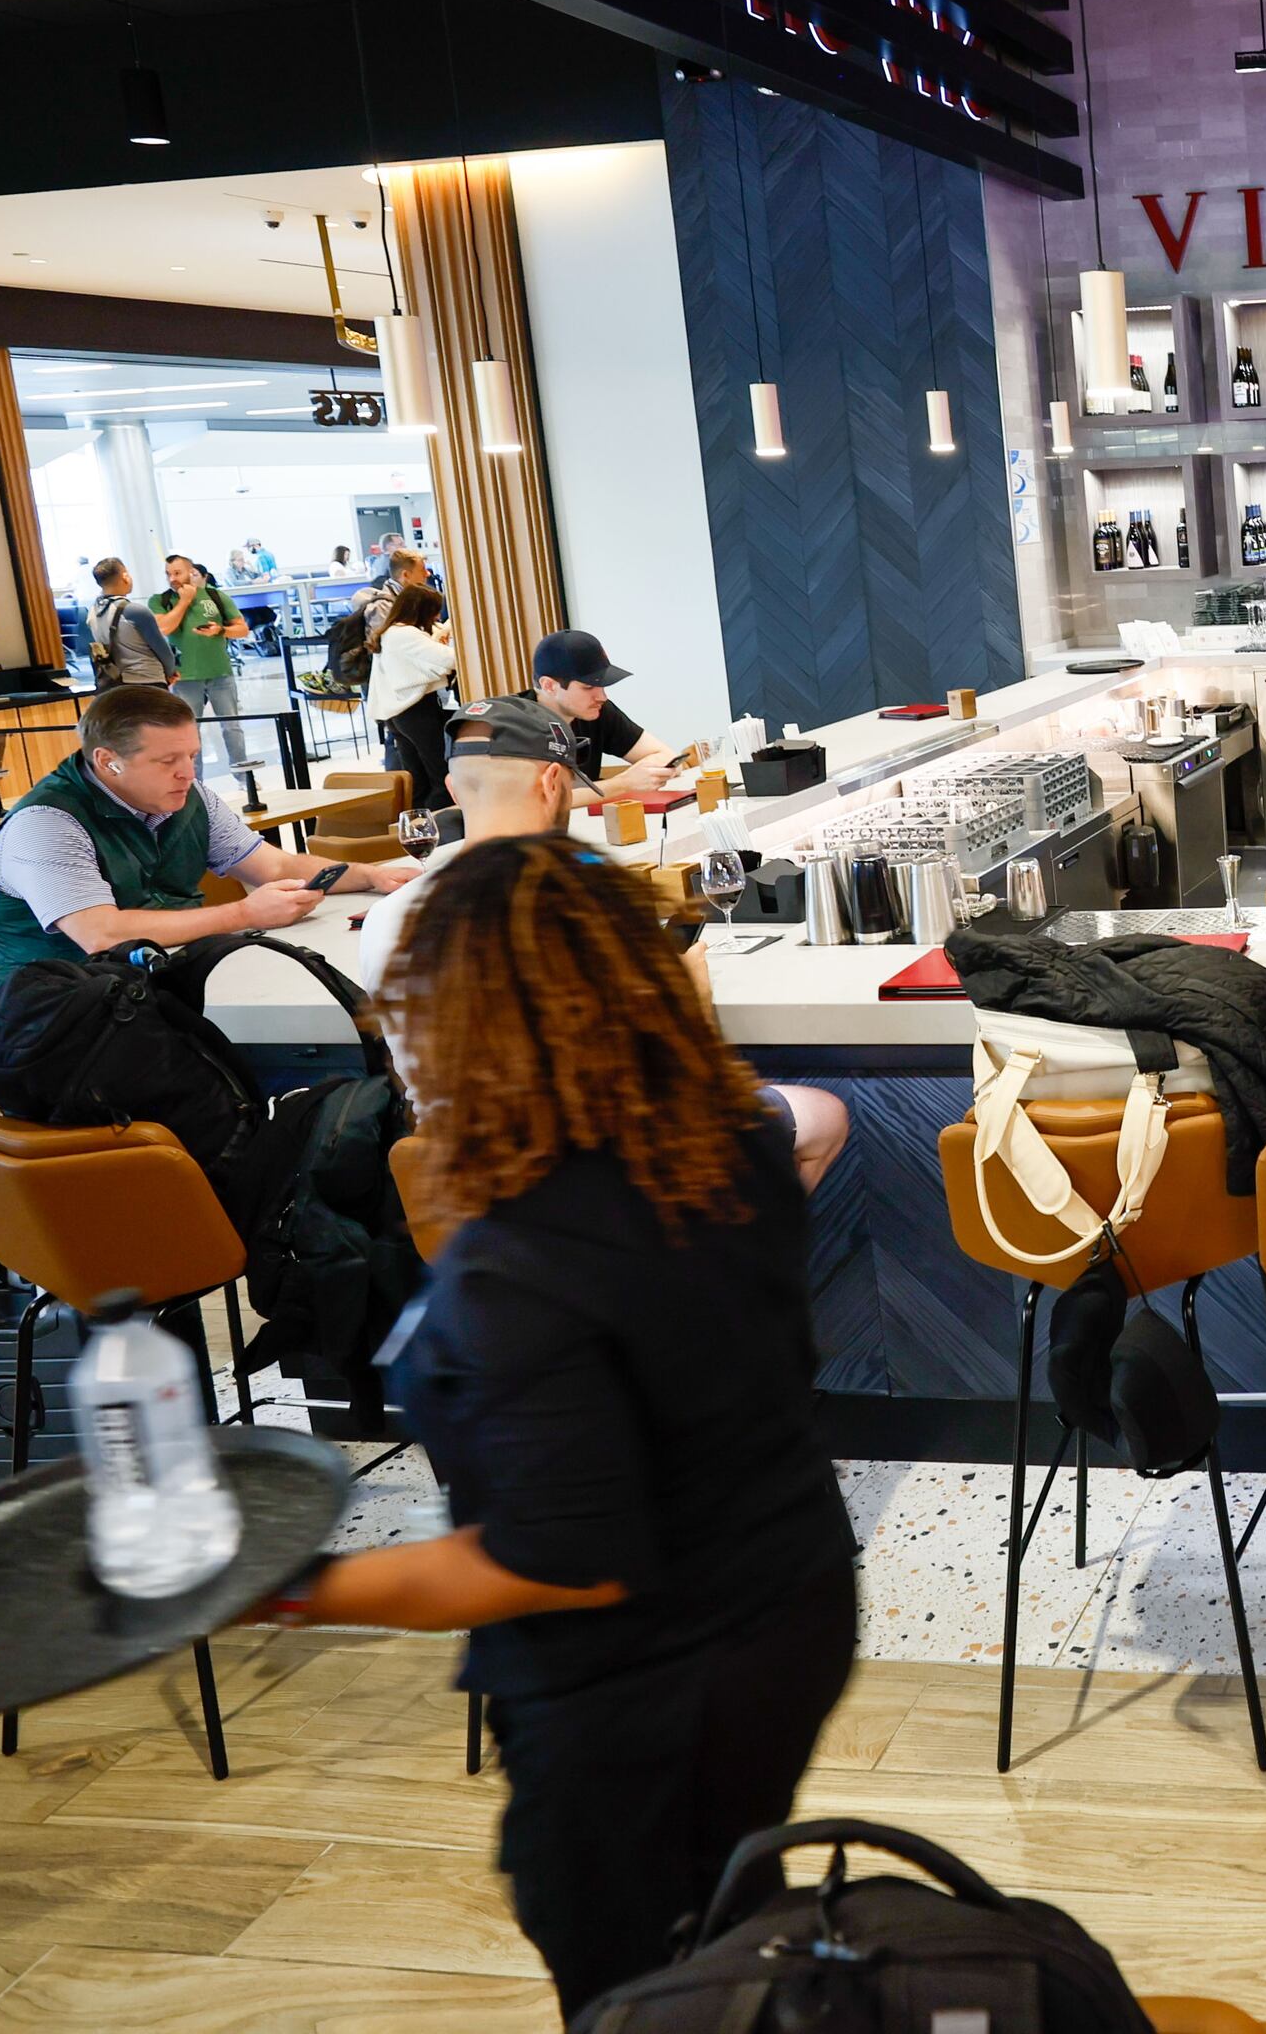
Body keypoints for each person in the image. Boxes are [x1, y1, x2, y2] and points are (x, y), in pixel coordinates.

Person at [257, 836, 857, 2018]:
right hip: (788, 1602)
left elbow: (558, 1564)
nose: (397, 1043)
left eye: (413, 1014)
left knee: (639, 1977)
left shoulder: (520, 1270)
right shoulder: (725, 1148)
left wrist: (285, 1589)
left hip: (652, 1685)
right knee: (732, 1915)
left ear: (473, 1031)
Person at [355, 696, 848, 1186]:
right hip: (604, 1178)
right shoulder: (585, 904)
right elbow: (657, 1067)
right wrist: (690, 991)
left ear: (453, 791)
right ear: (553, 783)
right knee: (824, 1116)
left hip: (464, 1180)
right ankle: (715, 1262)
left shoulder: (384, 918)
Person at [0, 684, 414, 1009]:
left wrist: (371, 875)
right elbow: (99, 933)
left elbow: (273, 866)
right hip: (51, 1017)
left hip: (153, 989)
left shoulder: (189, 797)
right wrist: (243, 914)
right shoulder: (47, 823)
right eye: (168, 761)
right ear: (109, 761)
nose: (188, 772)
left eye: (192, 756)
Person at [529, 630, 681, 802]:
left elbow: (669, 757)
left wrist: (644, 776)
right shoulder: (512, 723)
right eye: (588, 687)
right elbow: (538, 801)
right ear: (549, 686)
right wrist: (624, 783)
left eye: (602, 685)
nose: (602, 697)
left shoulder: (596, 710)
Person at [154, 554, 252, 773]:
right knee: (189, 733)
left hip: (220, 673)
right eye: (168, 574)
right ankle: (194, 785)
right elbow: (164, 628)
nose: (172, 578)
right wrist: (184, 601)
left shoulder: (215, 596)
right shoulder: (160, 601)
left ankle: (244, 778)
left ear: (191, 572)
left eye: (177, 573)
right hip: (185, 677)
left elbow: (242, 629)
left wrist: (221, 630)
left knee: (232, 727)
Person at [369, 581, 461, 811]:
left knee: (419, 782)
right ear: (421, 610)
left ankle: (417, 830)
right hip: (417, 712)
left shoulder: (392, 632)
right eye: (434, 610)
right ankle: (439, 831)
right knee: (441, 777)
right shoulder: (405, 634)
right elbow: (450, 659)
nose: (437, 615)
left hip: (402, 716)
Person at [83, 557, 176, 687]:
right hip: (148, 680)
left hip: (115, 681)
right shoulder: (134, 611)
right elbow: (162, 649)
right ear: (125, 577)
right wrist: (171, 672)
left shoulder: (92, 612)